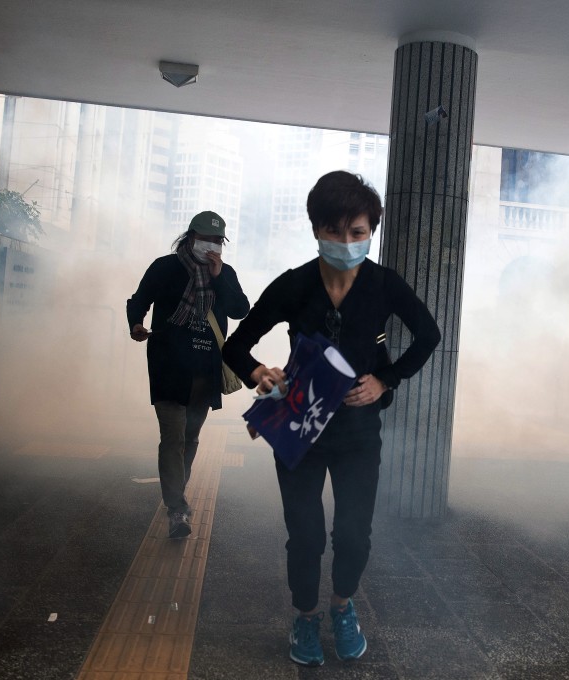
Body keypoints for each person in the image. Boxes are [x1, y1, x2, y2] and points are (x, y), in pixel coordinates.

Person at [222, 171, 441, 666]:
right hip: (299, 431)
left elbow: (429, 335)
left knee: (353, 534)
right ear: (316, 229)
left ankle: (342, 607)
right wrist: (259, 372)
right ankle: (305, 616)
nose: (346, 243)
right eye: (335, 231)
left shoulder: (385, 285)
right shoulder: (295, 285)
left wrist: (387, 380)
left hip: (359, 435)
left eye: (358, 233)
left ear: (371, 233)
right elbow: (236, 344)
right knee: (305, 534)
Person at [127, 211, 250, 539]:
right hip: (169, 368)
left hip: (205, 373)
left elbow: (241, 309)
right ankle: (176, 508)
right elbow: (138, 300)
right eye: (205, 239)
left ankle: (176, 497)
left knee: (190, 439)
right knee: (173, 438)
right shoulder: (165, 268)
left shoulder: (225, 273)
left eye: (217, 241)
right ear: (190, 237)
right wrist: (136, 325)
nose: (211, 246)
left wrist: (219, 276)